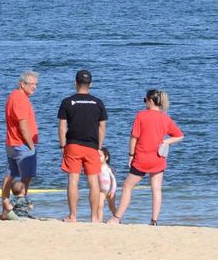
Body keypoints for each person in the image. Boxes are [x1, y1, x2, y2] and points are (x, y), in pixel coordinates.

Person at [109, 89, 184, 225]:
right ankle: (154, 221)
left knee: (127, 186)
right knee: (156, 189)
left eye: (145, 100)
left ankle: (117, 217)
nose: (144, 103)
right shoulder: (165, 117)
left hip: (142, 158)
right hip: (158, 158)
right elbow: (179, 135)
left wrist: (131, 155)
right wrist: (166, 141)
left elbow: (134, 137)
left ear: (150, 101)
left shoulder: (141, 115)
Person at [58, 69, 108, 223]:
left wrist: (62, 146)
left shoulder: (67, 101)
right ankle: (94, 217)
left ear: (75, 83)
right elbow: (102, 126)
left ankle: (73, 216)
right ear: (90, 84)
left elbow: (61, 126)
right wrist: (99, 146)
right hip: (91, 146)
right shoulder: (98, 102)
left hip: (73, 144)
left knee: (73, 180)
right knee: (93, 181)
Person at [2, 71, 39, 215]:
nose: (35, 87)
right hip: (20, 143)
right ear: (23, 84)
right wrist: (30, 145)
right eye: (32, 84)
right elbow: (23, 125)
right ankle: (20, 209)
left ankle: (6, 207)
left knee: (10, 175)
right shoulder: (20, 98)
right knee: (26, 177)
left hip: (12, 142)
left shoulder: (14, 96)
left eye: (36, 84)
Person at [96, 147, 118, 222]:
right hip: (101, 191)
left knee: (111, 206)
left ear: (106, 157)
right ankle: (99, 220)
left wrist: (113, 190)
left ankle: (117, 218)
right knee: (99, 205)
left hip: (110, 190)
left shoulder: (108, 168)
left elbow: (113, 180)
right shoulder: (96, 168)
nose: (97, 157)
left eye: (100, 156)